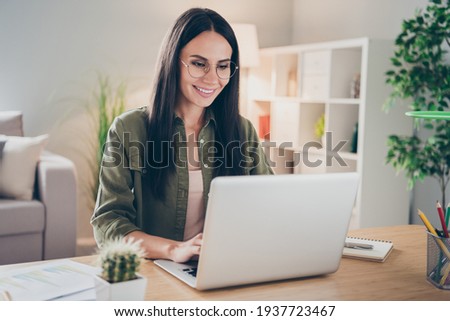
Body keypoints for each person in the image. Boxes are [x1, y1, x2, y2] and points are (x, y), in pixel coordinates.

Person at [91, 7, 273, 263]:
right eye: (199, 64)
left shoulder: (242, 131)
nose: (212, 79)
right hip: (156, 270)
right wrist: (174, 249)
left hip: (226, 267)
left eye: (223, 66)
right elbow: (108, 224)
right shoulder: (129, 129)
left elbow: (269, 207)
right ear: (172, 61)